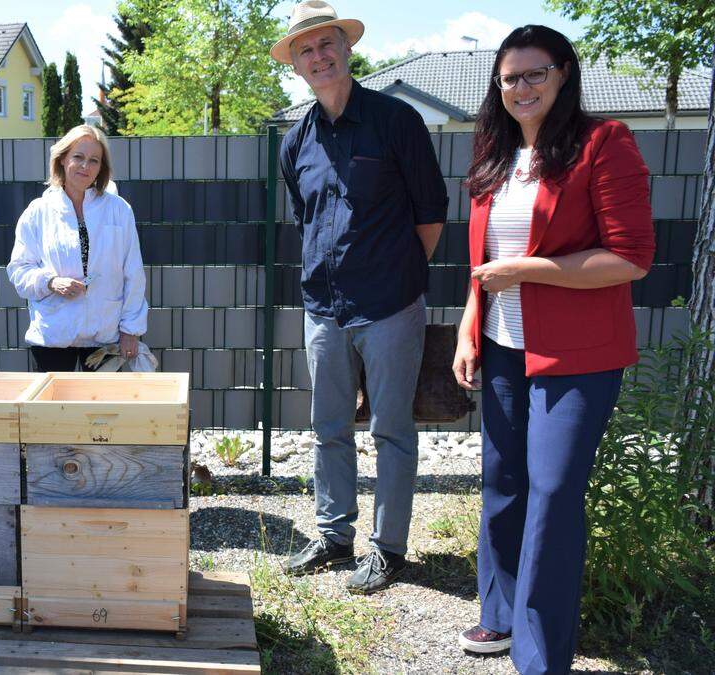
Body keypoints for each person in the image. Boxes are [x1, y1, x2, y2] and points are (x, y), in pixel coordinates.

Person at [451, 25, 654, 673]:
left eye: (535, 73)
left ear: (564, 72)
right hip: (503, 346)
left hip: (579, 356)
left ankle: (541, 657)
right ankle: (502, 613)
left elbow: (629, 258)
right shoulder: (495, 152)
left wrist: (529, 271)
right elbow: (485, 259)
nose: (521, 88)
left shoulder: (603, 143)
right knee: (503, 484)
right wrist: (467, 325)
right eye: (510, 78)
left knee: (554, 492)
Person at [271, 0, 447, 594]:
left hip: (391, 306)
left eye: (326, 44)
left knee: (391, 429)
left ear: (347, 49)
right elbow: (308, 220)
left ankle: (389, 549)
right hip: (323, 309)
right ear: (295, 65)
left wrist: (397, 274)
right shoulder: (295, 144)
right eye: (305, 50)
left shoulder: (397, 122)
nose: (318, 56)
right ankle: (333, 535)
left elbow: (431, 213)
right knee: (328, 429)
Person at [7, 124, 147, 372]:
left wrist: (130, 330)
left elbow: (133, 273)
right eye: (78, 157)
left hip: (106, 334)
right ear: (62, 159)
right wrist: (50, 282)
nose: (86, 166)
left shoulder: (118, 210)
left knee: (102, 410)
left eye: (94, 160)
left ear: (101, 167)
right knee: (53, 409)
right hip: (53, 336)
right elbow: (19, 271)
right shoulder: (38, 212)